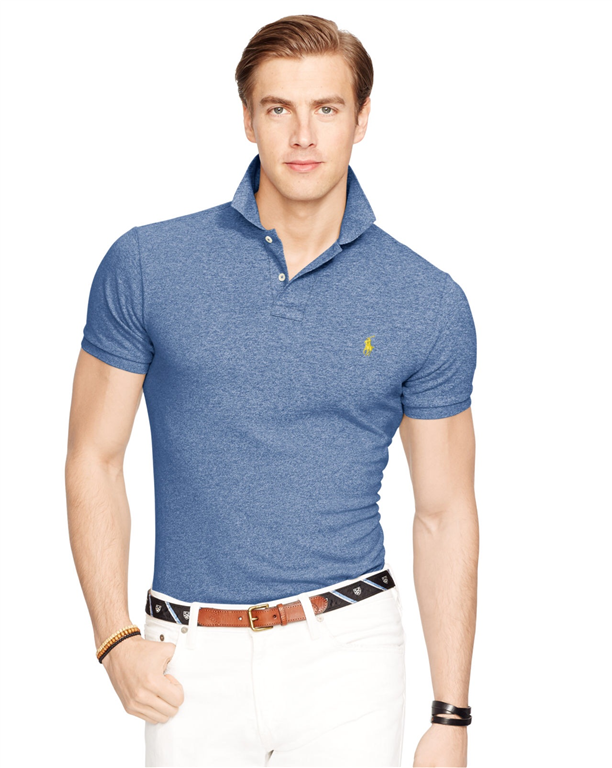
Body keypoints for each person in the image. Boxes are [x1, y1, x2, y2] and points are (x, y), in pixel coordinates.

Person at [66, 13, 478, 768]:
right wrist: (114, 638)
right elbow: (93, 456)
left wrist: (450, 715)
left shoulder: (425, 300)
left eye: (327, 108)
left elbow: (444, 511)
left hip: (349, 652)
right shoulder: (149, 265)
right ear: (248, 119)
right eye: (279, 108)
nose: (303, 135)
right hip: (186, 657)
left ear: (361, 120)